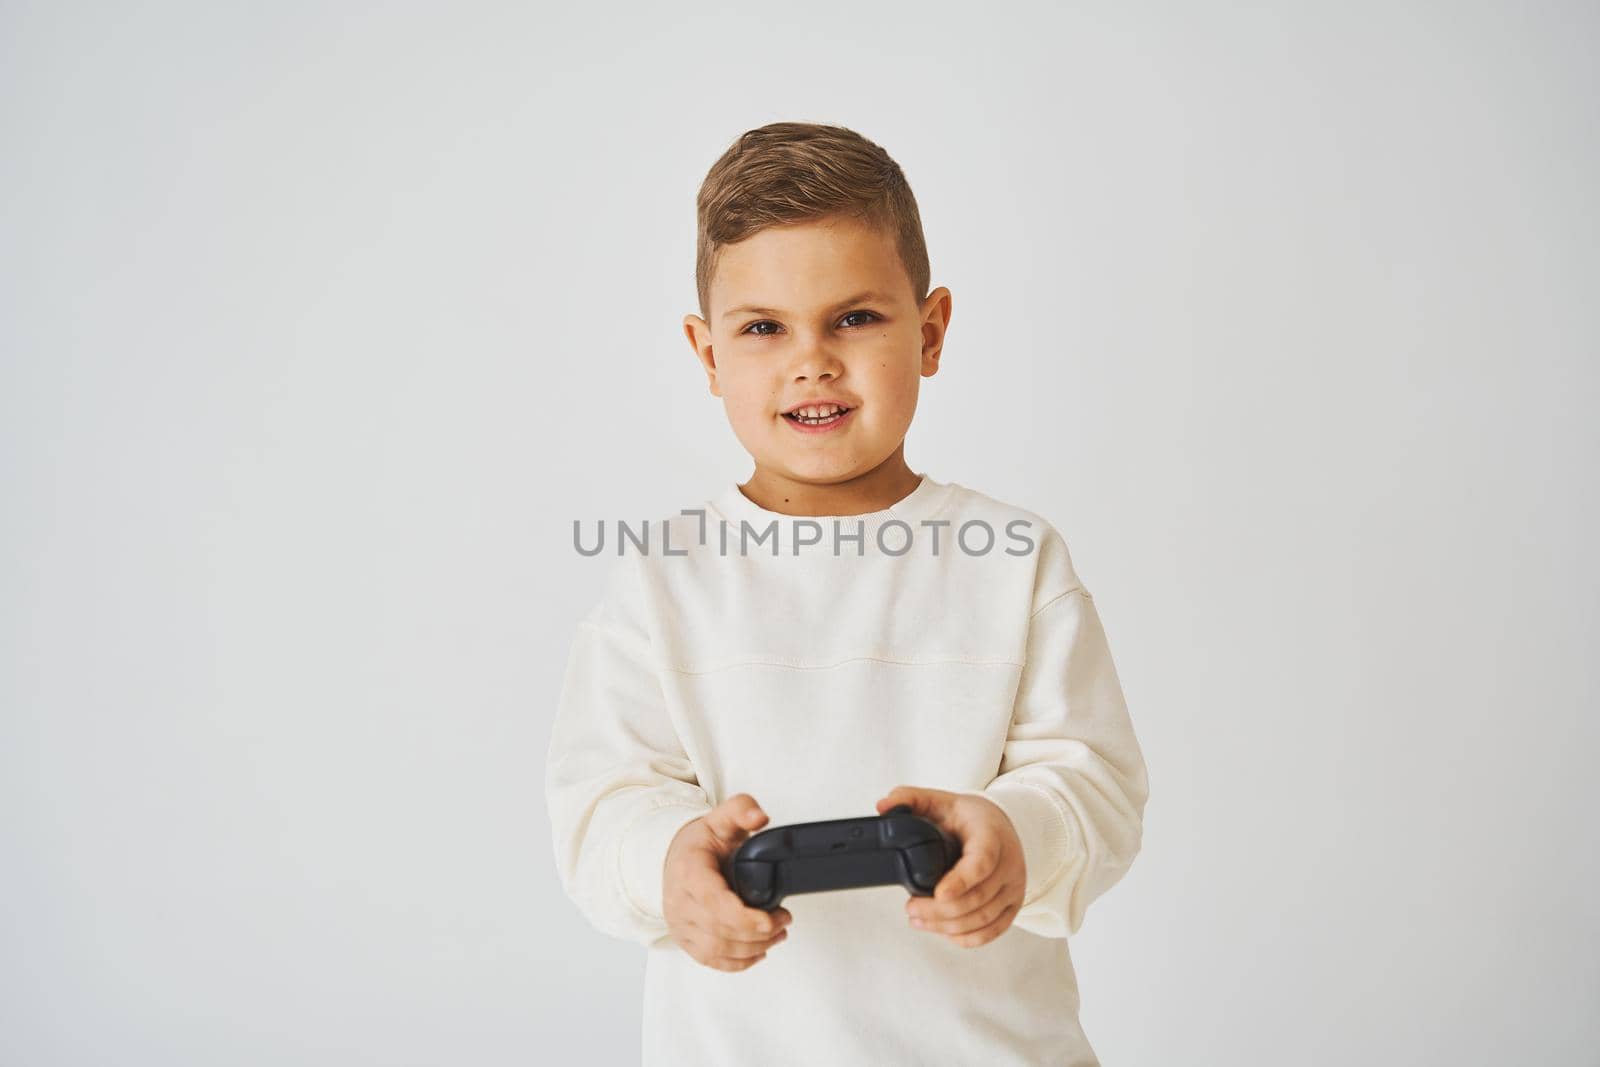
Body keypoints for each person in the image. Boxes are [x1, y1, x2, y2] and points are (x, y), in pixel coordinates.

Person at [544, 121, 1149, 1066]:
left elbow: (1095, 782)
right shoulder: (664, 577)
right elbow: (601, 802)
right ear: (708, 356)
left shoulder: (1013, 558)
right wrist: (668, 866)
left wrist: (1018, 831)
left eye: (855, 318)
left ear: (932, 330)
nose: (812, 360)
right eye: (763, 329)